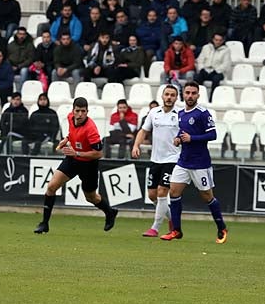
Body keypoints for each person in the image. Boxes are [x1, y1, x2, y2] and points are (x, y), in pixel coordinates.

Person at [33, 96, 119, 234]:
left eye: (83, 111)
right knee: (51, 186)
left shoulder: (91, 129)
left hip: (88, 165)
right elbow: (72, 133)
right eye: (77, 111)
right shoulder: (69, 118)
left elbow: (98, 154)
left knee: (90, 197)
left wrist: (77, 153)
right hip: (72, 160)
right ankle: (44, 223)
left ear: (87, 112)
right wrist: (65, 139)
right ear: (73, 111)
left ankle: (109, 212)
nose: (80, 114)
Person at [160, 81, 228, 243]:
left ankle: (221, 226)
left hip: (200, 163)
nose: (190, 96)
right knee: (174, 193)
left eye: (193, 93)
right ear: (183, 94)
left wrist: (192, 139)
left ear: (198, 95)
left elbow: (213, 135)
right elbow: (182, 131)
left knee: (207, 197)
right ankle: (176, 230)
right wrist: (178, 138)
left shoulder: (203, 113)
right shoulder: (181, 113)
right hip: (183, 162)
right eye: (187, 93)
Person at [133, 84, 182, 237]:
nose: (169, 97)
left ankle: (155, 227)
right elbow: (144, 130)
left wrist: (181, 139)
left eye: (172, 95)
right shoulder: (154, 112)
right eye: (167, 94)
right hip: (156, 159)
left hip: (173, 159)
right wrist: (136, 145)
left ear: (176, 97)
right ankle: (173, 219)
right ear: (162, 96)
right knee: (152, 195)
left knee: (162, 191)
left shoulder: (180, 114)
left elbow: (187, 133)